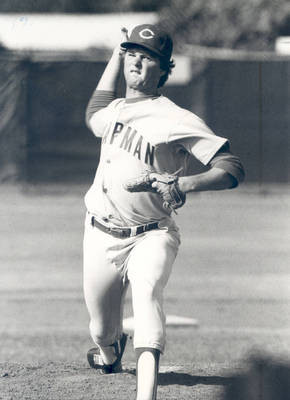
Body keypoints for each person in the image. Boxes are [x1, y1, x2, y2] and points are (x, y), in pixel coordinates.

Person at [83, 24, 245, 400]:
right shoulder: (115, 110)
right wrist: (114, 54)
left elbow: (232, 167)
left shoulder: (175, 118)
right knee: (101, 331)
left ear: (164, 69)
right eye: (132, 54)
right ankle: (110, 352)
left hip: (152, 234)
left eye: (147, 56)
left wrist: (184, 184)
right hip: (100, 235)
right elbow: (94, 112)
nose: (137, 62)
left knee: (148, 294)